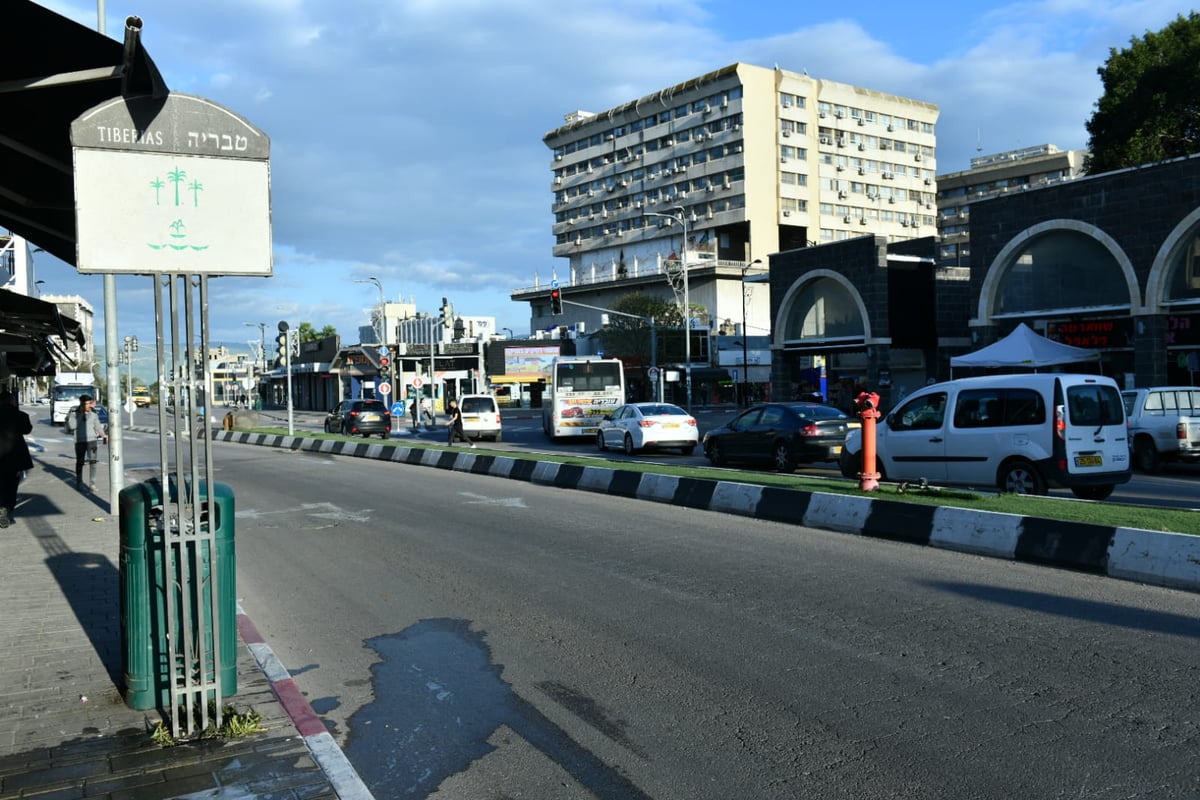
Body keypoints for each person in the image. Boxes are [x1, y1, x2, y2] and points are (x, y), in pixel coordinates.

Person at [0, 391, 34, 528]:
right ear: (12, 401)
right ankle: (6, 509)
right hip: (14, 456)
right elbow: (27, 430)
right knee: (11, 483)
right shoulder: (20, 415)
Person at [65, 394, 107, 491]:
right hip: (79, 442)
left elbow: (98, 427)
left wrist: (103, 435)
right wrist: (80, 414)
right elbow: (72, 426)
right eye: (86, 404)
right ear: (81, 404)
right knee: (80, 462)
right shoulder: (74, 414)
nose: (88, 406)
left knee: (93, 462)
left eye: (89, 404)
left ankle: (92, 484)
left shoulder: (93, 414)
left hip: (92, 441)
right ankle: (79, 483)